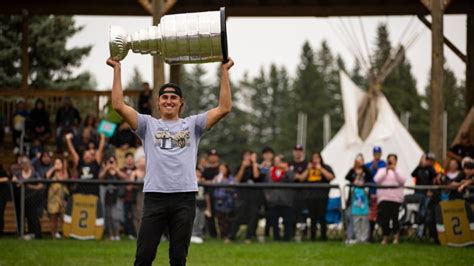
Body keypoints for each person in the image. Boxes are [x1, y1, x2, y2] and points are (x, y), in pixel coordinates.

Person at [107, 55, 234, 266]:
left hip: (184, 198)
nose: (168, 101)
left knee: (178, 258)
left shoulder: (193, 125)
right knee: (144, 257)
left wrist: (224, 72)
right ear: (158, 102)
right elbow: (119, 105)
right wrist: (117, 69)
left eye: (173, 98)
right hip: (155, 197)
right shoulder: (147, 125)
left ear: (181, 103)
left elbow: (224, 108)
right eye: (164, 97)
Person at [227, 150, 261, 243]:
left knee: (253, 216)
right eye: (246, 155)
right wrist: (243, 167)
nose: (247, 157)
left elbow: (256, 176)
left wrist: (254, 162)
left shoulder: (256, 166)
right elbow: (237, 179)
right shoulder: (240, 167)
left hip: (254, 196)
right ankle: (231, 236)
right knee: (238, 216)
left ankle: (248, 237)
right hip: (242, 195)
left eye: (249, 155)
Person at [300, 152, 335, 241]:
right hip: (310, 196)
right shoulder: (308, 168)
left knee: (322, 216)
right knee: (312, 217)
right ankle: (313, 237)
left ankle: (323, 236)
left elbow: (331, 177)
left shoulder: (325, 167)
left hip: (322, 196)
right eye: (313, 158)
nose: (315, 160)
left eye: (317, 158)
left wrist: (321, 169)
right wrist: (308, 170)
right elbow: (301, 178)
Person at [374, 154, 407, 245]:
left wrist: (395, 170)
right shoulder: (382, 170)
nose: (391, 161)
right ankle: (385, 237)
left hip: (396, 199)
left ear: (396, 161)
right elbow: (377, 180)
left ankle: (396, 237)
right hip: (384, 198)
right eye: (389, 160)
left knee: (395, 219)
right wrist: (386, 170)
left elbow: (402, 181)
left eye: (393, 160)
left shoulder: (399, 171)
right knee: (385, 219)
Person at [12, 157, 44, 240]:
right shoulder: (18, 173)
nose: (25, 165)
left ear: (29, 164)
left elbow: (41, 185)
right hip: (21, 198)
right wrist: (17, 181)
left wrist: (31, 186)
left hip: (32, 198)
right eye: (23, 164)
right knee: (21, 216)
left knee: (32, 216)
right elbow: (14, 180)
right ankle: (21, 233)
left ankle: (35, 234)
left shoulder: (35, 173)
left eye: (27, 164)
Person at [264, 155, 294, 241]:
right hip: (274, 200)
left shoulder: (288, 170)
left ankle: (287, 238)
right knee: (274, 221)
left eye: (279, 161)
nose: (277, 163)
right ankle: (276, 237)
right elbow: (266, 185)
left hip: (286, 200)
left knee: (287, 221)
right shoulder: (270, 172)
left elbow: (292, 178)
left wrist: (286, 170)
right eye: (275, 161)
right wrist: (268, 196)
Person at [411, 153, 438, 240]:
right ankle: (419, 234)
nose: (428, 162)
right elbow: (413, 174)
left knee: (425, 213)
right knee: (419, 213)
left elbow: (434, 175)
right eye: (427, 160)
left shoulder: (431, 169)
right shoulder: (419, 169)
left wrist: (428, 166)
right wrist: (420, 165)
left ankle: (425, 234)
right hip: (418, 194)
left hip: (427, 195)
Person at [345, 153, 371, 244]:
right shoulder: (352, 171)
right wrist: (356, 175)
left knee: (364, 221)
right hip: (354, 200)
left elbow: (370, 175)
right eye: (357, 161)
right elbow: (347, 177)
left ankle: (364, 238)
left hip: (364, 200)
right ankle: (355, 237)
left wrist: (363, 166)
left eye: (361, 161)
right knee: (354, 220)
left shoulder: (365, 170)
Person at [100, 155, 127, 240]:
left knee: (116, 216)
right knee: (108, 215)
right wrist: (106, 169)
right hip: (107, 195)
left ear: (116, 162)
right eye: (109, 162)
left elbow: (124, 177)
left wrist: (115, 169)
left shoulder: (119, 170)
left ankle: (117, 235)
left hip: (117, 196)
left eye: (112, 161)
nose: (111, 163)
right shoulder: (105, 171)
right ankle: (111, 235)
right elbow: (100, 177)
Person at [365, 146, 386, 242]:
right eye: (375, 153)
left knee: (381, 214)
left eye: (378, 153)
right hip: (372, 192)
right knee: (371, 215)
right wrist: (371, 168)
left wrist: (377, 168)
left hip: (382, 193)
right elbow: (366, 177)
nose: (377, 155)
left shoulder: (384, 164)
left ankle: (383, 234)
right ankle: (370, 234)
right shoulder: (368, 164)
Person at [46, 157, 69, 239]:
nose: (58, 165)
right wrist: (53, 168)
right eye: (56, 163)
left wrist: (65, 168)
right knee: (53, 218)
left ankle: (64, 235)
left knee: (63, 217)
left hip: (62, 198)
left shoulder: (64, 173)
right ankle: (53, 235)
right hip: (53, 198)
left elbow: (66, 178)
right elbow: (47, 176)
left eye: (59, 163)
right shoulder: (52, 173)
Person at [289, 144, 308, 241]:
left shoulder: (306, 164)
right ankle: (291, 234)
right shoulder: (289, 164)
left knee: (303, 216)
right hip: (291, 195)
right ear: (293, 152)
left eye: (300, 150)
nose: (298, 152)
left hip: (303, 194)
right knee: (291, 215)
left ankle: (304, 235)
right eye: (296, 150)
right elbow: (295, 177)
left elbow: (301, 178)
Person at [212, 163, 234, 240]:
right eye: (220, 169)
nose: (222, 170)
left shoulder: (230, 178)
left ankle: (228, 235)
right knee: (220, 220)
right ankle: (222, 235)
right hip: (218, 201)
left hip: (227, 202)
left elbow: (232, 188)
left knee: (227, 219)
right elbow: (213, 185)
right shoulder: (217, 178)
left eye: (223, 169)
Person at [201, 149, 220, 238]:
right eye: (211, 156)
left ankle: (223, 233)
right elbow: (202, 179)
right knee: (209, 215)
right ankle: (213, 235)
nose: (213, 157)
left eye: (214, 156)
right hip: (207, 195)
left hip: (219, 195)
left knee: (220, 214)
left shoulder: (221, 168)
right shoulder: (206, 169)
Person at [122, 152, 138, 239]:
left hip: (135, 198)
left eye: (131, 158)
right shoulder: (122, 170)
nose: (129, 160)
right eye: (127, 158)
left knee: (135, 216)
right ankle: (127, 233)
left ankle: (135, 233)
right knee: (126, 216)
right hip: (125, 197)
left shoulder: (137, 169)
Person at [0, 164, 10, 237]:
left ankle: (1, 231)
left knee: (0, 213)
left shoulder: (2, 171)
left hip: (1, 195)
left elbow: (6, 178)